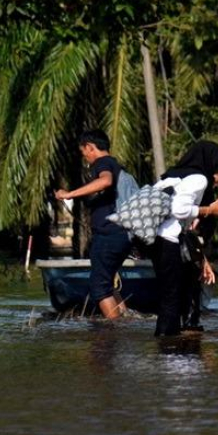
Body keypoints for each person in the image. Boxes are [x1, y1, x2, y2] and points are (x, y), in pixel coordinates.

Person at [149, 145, 218, 337]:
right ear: (213, 165)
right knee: (173, 296)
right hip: (169, 239)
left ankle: (165, 343)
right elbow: (179, 209)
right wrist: (210, 211)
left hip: (155, 238)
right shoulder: (199, 178)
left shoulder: (171, 176)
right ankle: (169, 345)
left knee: (167, 294)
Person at [54, 130, 132, 320]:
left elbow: (105, 181)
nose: (85, 157)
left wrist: (69, 194)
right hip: (122, 236)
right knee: (107, 284)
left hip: (109, 235)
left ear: (90, 147)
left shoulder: (103, 163)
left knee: (98, 287)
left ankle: (114, 331)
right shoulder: (116, 165)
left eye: (84, 152)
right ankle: (125, 323)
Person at [176, 140, 218, 332]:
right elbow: (187, 219)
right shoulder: (198, 182)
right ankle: (187, 336)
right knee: (189, 296)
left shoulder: (174, 176)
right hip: (183, 244)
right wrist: (210, 210)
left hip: (178, 244)